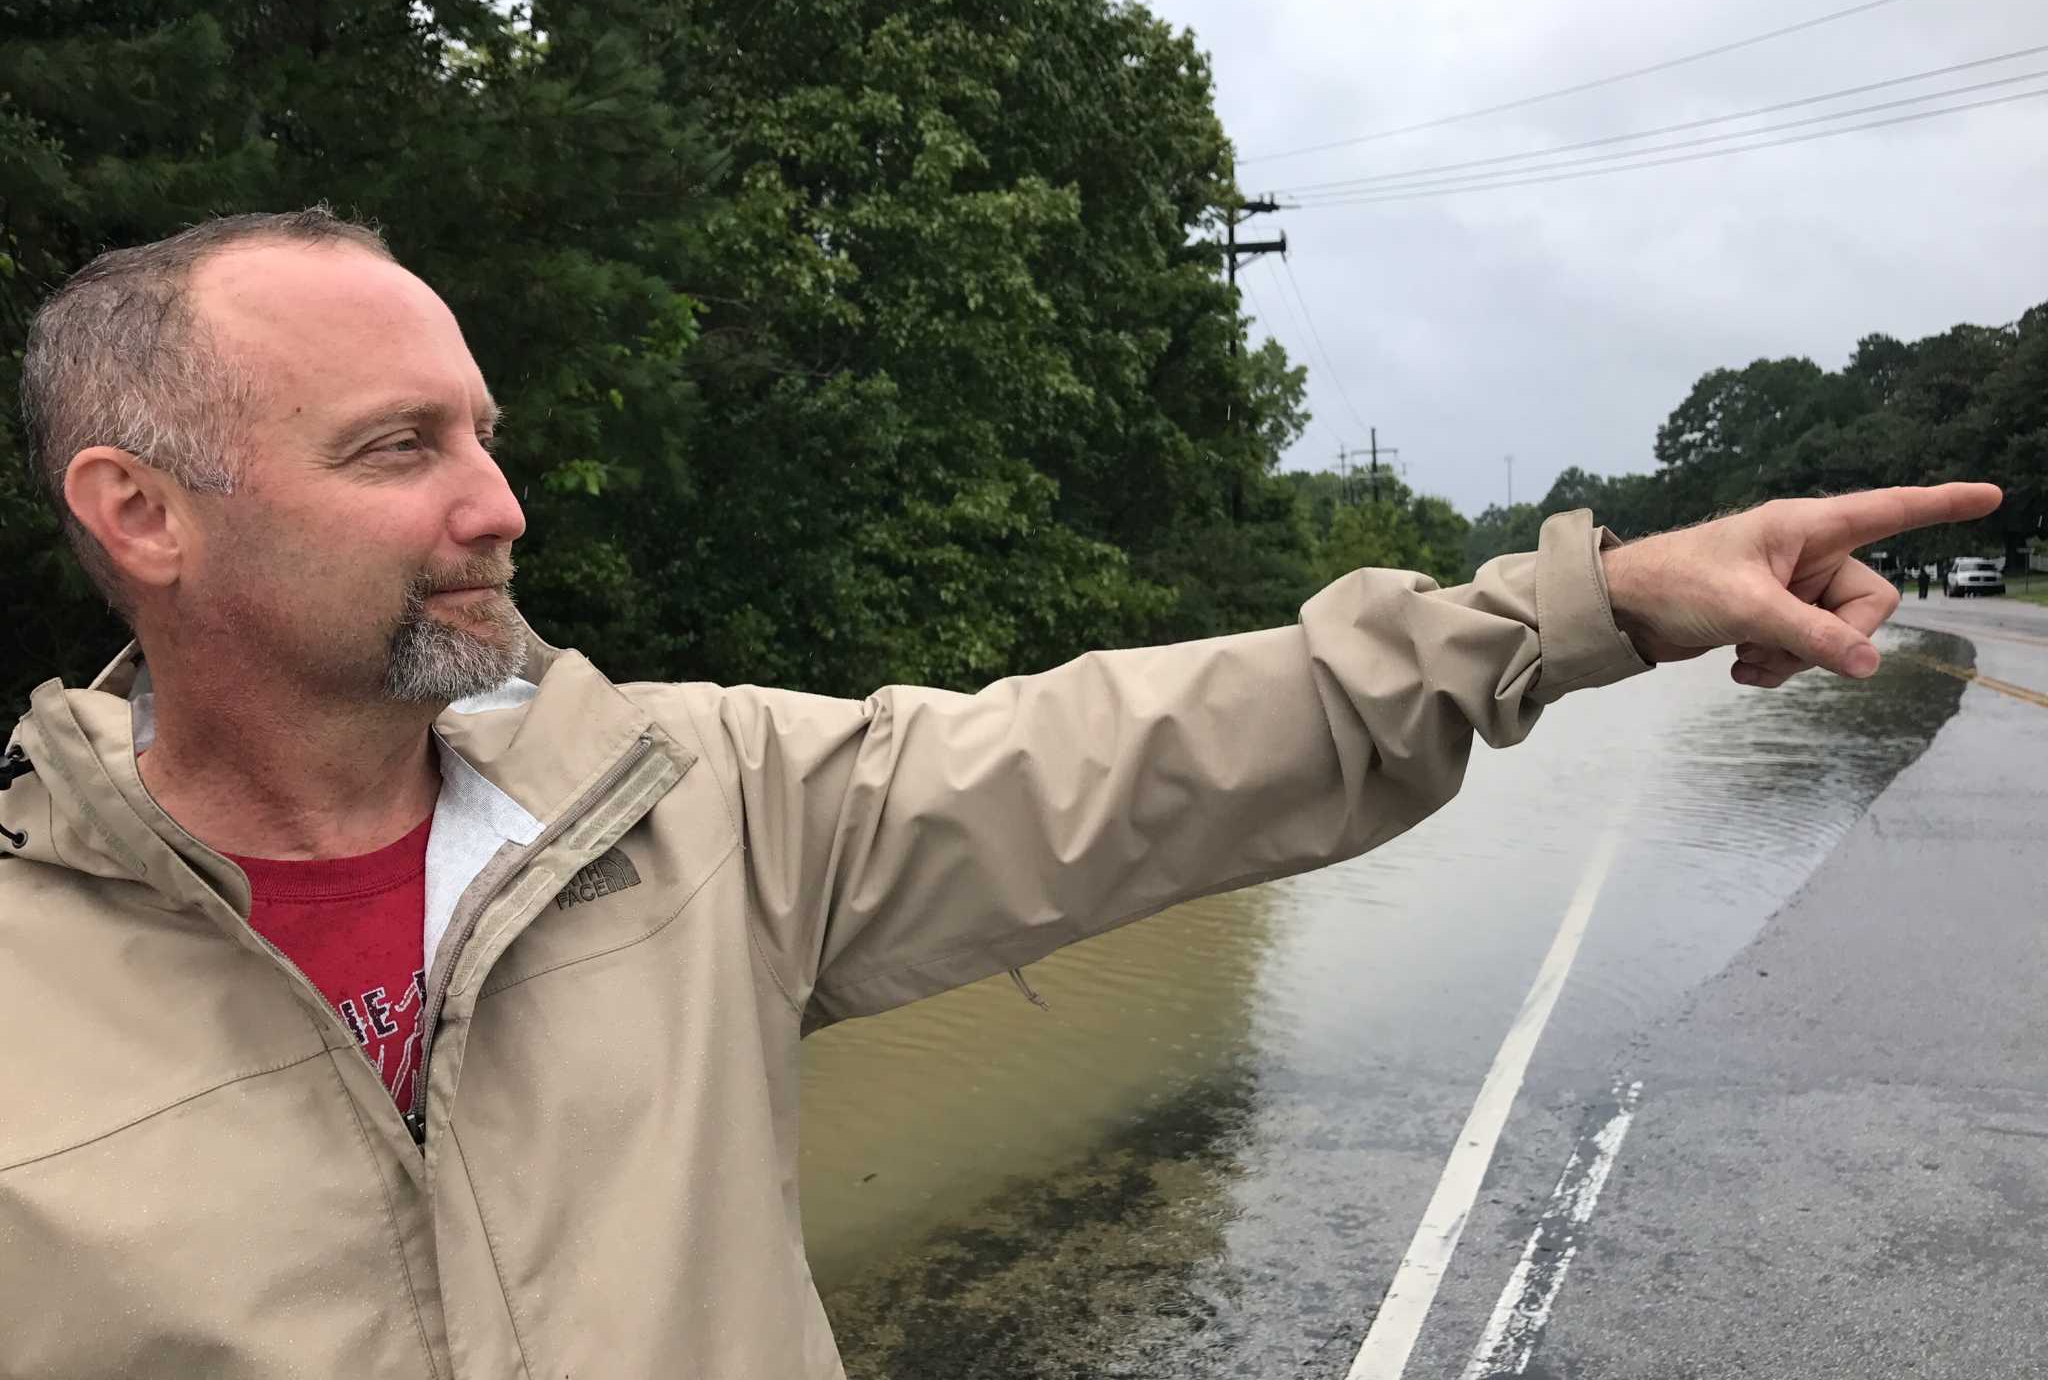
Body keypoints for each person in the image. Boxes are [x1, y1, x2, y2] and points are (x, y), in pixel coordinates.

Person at [0, 208, 2001, 1379]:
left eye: (488, 434)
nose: (497, 503)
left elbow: (1156, 746)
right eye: (396, 447)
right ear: (142, 512)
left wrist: (1598, 604)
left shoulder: (688, 804)